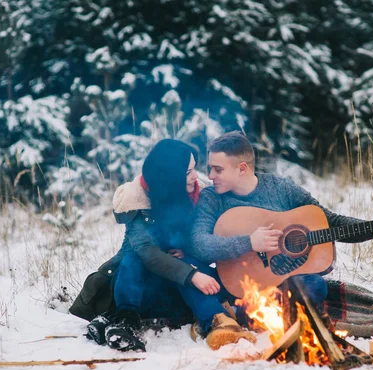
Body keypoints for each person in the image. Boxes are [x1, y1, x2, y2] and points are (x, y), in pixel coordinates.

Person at [184, 132, 373, 343]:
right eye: (210, 169)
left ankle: (249, 315)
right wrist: (250, 242)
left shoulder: (282, 189)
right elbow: (198, 243)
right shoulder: (211, 197)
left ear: (242, 168)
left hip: (279, 285)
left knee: (315, 285)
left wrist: (371, 229)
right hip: (233, 285)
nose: (210, 176)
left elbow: (328, 221)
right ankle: (240, 313)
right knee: (189, 267)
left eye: (217, 170)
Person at [82, 139, 254, 352]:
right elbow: (148, 253)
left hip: (177, 292)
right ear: (171, 176)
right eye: (188, 171)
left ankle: (219, 322)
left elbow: (206, 239)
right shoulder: (137, 201)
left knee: (186, 262)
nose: (196, 176)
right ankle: (124, 320)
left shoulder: (197, 196)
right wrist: (191, 275)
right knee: (133, 259)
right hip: (138, 288)